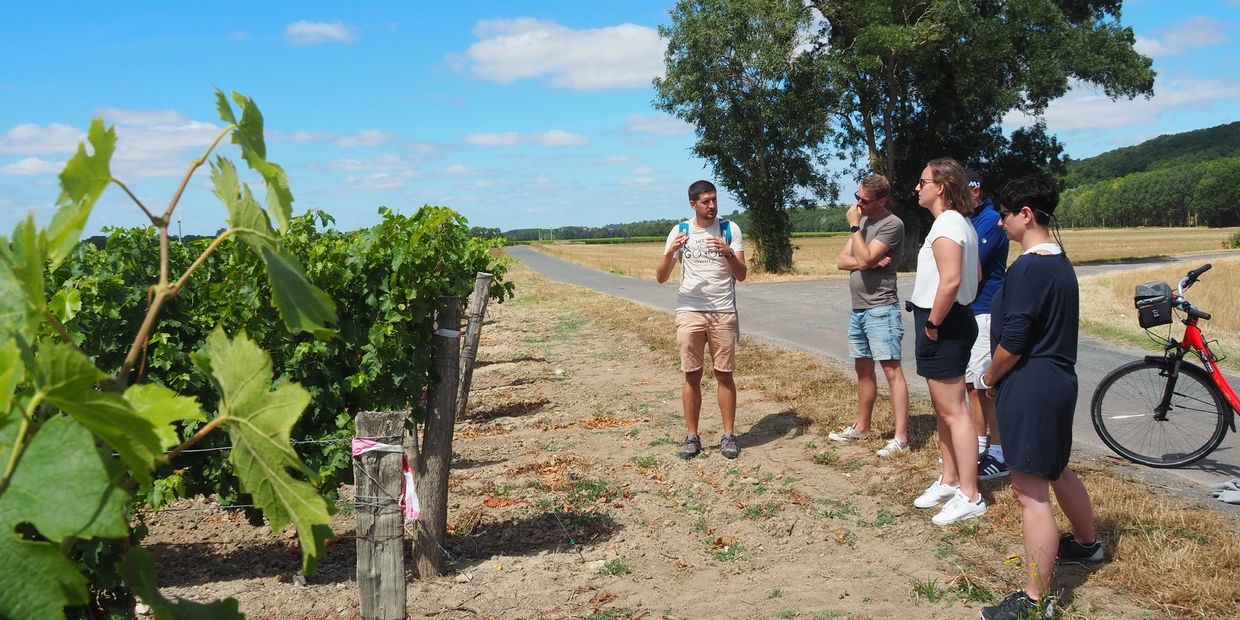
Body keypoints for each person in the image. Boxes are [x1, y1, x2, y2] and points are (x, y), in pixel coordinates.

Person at [977, 173, 1103, 620]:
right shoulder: (1059, 261)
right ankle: (1088, 545)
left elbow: (1016, 337)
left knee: (1030, 494)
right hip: (1057, 381)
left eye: (1005, 216)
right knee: (1056, 466)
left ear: (1026, 215)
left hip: (1031, 384)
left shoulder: (1030, 267)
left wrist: (989, 376)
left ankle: (1034, 601)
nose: (1001, 225)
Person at [908, 157, 984, 526]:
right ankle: (950, 479)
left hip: (944, 320)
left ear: (941, 186)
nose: (917, 188)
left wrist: (935, 322)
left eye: (922, 182)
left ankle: (970, 493)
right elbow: (977, 273)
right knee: (945, 409)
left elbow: (951, 281)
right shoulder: (959, 224)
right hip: (950, 318)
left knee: (954, 411)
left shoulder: (947, 225)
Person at [656, 180, 747, 459]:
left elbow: (741, 275)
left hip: (722, 311)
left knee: (724, 374)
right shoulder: (680, 231)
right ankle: (692, 436)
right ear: (692, 204)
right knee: (691, 375)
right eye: (706, 201)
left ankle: (729, 435)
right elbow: (661, 277)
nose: (712, 206)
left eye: (714, 200)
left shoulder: (730, 229)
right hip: (689, 311)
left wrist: (728, 252)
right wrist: (672, 251)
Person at [829, 174, 911, 457]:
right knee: (862, 369)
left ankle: (901, 437)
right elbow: (842, 261)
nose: (858, 203)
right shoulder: (864, 224)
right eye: (857, 197)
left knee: (891, 370)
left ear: (882, 200)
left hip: (881, 307)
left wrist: (856, 233)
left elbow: (862, 258)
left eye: (864, 200)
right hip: (859, 308)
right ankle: (862, 426)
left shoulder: (891, 224)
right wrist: (869, 263)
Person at [964, 169, 1010, 480]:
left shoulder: (990, 219)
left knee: (986, 384)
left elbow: (971, 264)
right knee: (972, 384)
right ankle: (981, 446)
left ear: (975, 190)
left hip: (986, 309)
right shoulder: (969, 220)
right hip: (971, 309)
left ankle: (1000, 453)